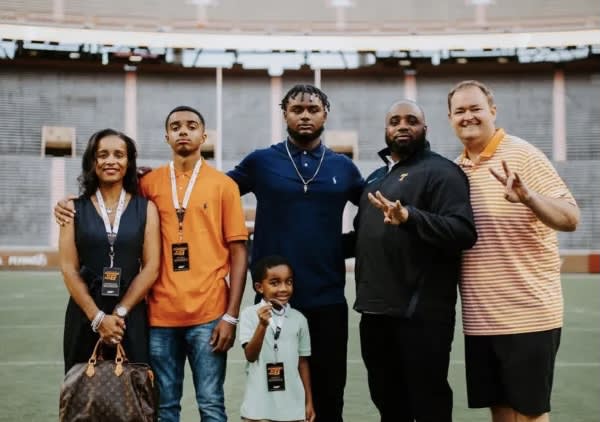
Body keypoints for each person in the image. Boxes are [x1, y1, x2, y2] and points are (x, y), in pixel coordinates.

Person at [55, 106, 248, 422]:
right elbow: (113, 202)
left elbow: (239, 251)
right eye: (175, 126)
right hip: (159, 316)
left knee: (212, 404)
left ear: (204, 135)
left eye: (191, 126)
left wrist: (231, 315)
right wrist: (65, 204)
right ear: (166, 136)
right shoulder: (150, 184)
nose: (183, 131)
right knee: (162, 406)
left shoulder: (224, 185)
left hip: (209, 313)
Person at [227, 84, 364, 422]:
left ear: (325, 115)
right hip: (275, 301)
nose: (305, 115)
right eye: (297, 109)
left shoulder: (342, 167)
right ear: (284, 114)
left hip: (327, 298)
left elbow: (375, 214)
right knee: (275, 392)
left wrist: (339, 246)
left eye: (313, 109)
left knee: (329, 393)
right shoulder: (261, 161)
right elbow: (216, 195)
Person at [447, 80, 580, 422]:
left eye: (475, 108)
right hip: (480, 321)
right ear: (450, 118)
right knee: (501, 413)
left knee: (530, 415)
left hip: (528, 315)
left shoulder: (523, 154)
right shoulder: (454, 169)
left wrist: (529, 198)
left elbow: (570, 217)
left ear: (492, 110)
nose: (468, 116)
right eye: (459, 110)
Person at [353, 100, 477, 422]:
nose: (402, 125)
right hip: (375, 312)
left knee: (429, 403)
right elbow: (363, 239)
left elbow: (463, 231)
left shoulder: (442, 172)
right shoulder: (376, 179)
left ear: (425, 129)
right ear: (386, 130)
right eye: (395, 120)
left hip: (421, 315)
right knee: (388, 403)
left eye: (412, 120)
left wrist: (409, 216)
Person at [59, 128, 160, 373]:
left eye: (119, 154)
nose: (111, 161)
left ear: (129, 161)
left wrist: (119, 313)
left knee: (135, 395)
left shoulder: (146, 209)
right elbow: (68, 268)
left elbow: (151, 267)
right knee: (83, 394)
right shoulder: (72, 208)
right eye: (102, 155)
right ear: (92, 162)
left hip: (130, 316)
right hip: (85, 314)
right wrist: (97, 318)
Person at [239, 255, 315, 422]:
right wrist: (262, 325)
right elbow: (250, 356)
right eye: (275, 283)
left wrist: (308, 401)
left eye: (288, 282)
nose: (284, 288)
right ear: (259, 287)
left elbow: (303, 362)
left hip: (292, 410)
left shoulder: (299, 319)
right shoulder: (249, 315)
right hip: (257, 409)